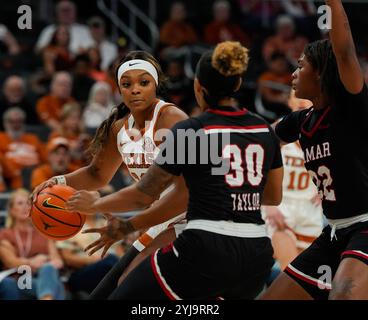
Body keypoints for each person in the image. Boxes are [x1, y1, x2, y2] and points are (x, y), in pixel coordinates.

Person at [68, 41, 283, 299]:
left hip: (205, 239)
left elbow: (144, 195)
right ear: (237, 84)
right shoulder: (262, 129)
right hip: (256, 249)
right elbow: (272, 196)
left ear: (197, 87)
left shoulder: (191, 129)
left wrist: (100, 207)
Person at [31, 50, 189, 299]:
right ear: (118, 89)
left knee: (131, 288)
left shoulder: (172, 118)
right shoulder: (119, 128)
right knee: (108, 291)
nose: (135, 90)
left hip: (195, 216)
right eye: (127, 84)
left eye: (143, 82)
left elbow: (185, 190)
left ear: (155, 85)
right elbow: (96, 175)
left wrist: (108, 212)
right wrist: (59, 181)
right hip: (162, 217)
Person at [261, 0, 368, 300]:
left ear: (320, 73)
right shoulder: (300, 120)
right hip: (334, 231)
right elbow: (257, 143)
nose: (294, 74)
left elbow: (344, 51)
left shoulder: (348, 108)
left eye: (300, 66)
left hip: (365, 224)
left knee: (344, 295)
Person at [263, 90, 323, 271]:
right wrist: (268, 205)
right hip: (282, 204)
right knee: (288, 268)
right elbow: (257, 164)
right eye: (297, 96)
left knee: (306, 273)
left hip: (310, 207)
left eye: (306, 96)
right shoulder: (279, 128)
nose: (302, 100)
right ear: (289, 101)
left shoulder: (323, 129)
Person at [0, 189, 65, 300]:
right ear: (11, 210)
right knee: (56, 286)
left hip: (44, 276)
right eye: (20, 203)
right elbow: (10, 261)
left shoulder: (44, 232)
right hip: (20, 279)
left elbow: (58, 261)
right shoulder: (6, 234)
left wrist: (47, 261)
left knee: (48, 269)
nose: (24, 207)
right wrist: (32, 262)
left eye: (28, 203)